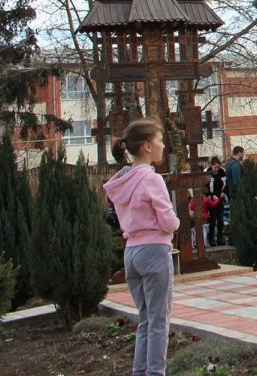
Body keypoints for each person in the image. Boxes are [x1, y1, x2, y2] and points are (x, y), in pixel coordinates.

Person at [103, 120, 181, 376]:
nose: (163, 145)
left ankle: (141, 372)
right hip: (154, 250)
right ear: (147, 146)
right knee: (159, 320)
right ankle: (156, 372)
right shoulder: (152, 179)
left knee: (146, 320)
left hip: (132, 253)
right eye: (159, 140)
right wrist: (177, 223)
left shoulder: (122, 181)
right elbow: (168, 220)